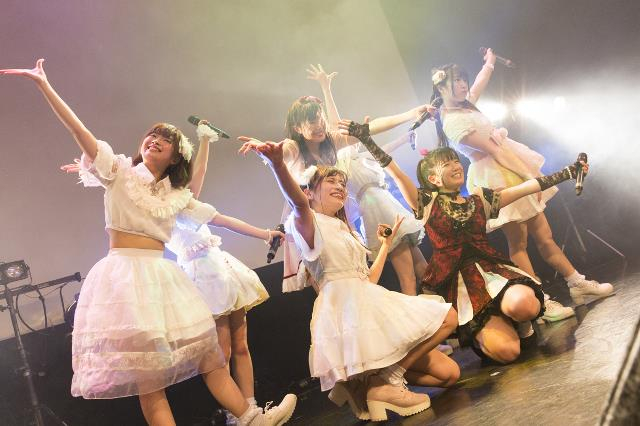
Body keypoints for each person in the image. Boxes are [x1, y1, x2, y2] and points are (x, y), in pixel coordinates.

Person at [1, 59, 296, 426]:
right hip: (124, 278)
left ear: (175, 157)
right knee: (150, 381)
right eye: (153, 135)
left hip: (161, 278)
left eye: (166, 139)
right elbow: (80, 131)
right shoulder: (118, 172)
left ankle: (252, 419)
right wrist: (44, 84)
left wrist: (265, 232)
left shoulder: (175, 196)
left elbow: (213, 213)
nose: (156, 139)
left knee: (210, 357)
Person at [238, 137, 459, 422]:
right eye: (331, 181)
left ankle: (370, 385)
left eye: (342, 183)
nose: (340, 186)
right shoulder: (307, 222)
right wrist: (278, 165)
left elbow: (367, 278)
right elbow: (297, 202)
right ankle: (388, 382)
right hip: (349, 310)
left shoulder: (346, 229)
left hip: (368, 299)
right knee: (448, 317)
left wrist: (384, 246)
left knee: (449, 374)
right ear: (310, 192)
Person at [339, 119, 591, 363]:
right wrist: (366, 139)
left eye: (454, 160)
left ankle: (522, 324)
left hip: (493, 273)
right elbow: (394, 171)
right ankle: (491, 333)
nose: (455, 165)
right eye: (446, 163)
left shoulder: (480, 200)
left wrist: (569, 172)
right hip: (461, 287)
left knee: (525, 305)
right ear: (433, 179)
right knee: (508, 352)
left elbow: (527, 187)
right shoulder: (426, 204)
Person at [429, 49, 612, 318]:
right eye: (456, 80)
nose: (463, 84)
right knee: (519, 243)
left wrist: (489, 64)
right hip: (496, 177)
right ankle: (541, 302)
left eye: (463, 79)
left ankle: (577, 283)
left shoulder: (465, 105)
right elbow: (496, 152)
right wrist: (531, 179)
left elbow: (478, 86)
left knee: (545, 235)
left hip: (512, 166)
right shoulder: (453, 121)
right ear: (441, 86)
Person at [278, 64, 435, 293]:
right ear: (297, 127)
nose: (319, 125)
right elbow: (281, 153)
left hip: (337, 217)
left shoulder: (332, 144)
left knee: (353, 273)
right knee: (325, 277)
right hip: (310, 221)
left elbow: (370, 127)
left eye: (320, 119)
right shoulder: (294, 148)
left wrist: (412, 114)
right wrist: (269, 153)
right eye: (312, 121)